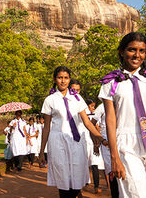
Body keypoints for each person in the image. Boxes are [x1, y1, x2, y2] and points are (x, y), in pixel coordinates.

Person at [98, 32, 146, 198]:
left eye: (142, 50)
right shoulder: (111, 83)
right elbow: (111, 120)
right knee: (135, 193)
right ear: (121, 51)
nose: (137, 55)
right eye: (132, 50)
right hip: (126, 143)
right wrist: (115, 157)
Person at [39, 66, 107, 198]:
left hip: (76, 141)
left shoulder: (77, 98)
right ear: (54, 79)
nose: (63, 81)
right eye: (60, 78)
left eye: (66, 78)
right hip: (58, 141)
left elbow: (87, 122)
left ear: (69, 79)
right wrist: (42, 151)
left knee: (77, 174)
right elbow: (46, 127)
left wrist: (100, 138)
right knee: (62, 176)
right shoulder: (50, 100)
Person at [92, 103, 119, 198]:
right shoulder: (102, 107)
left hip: (121, 141)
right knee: (112, 171)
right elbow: (92, 124)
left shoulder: (120, 102)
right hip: (107, 144)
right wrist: (97, 141)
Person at [84, 99, 105, 194]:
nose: (93, 108)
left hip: (92, 142)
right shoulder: (85, 115)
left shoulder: (93, 116)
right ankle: (85, 184)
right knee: (88, 164)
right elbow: (93, 129)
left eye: (94, 106)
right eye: (92, 106)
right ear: (87, 106)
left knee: (94, 164)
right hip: (86, 142)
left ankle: (95, 186)